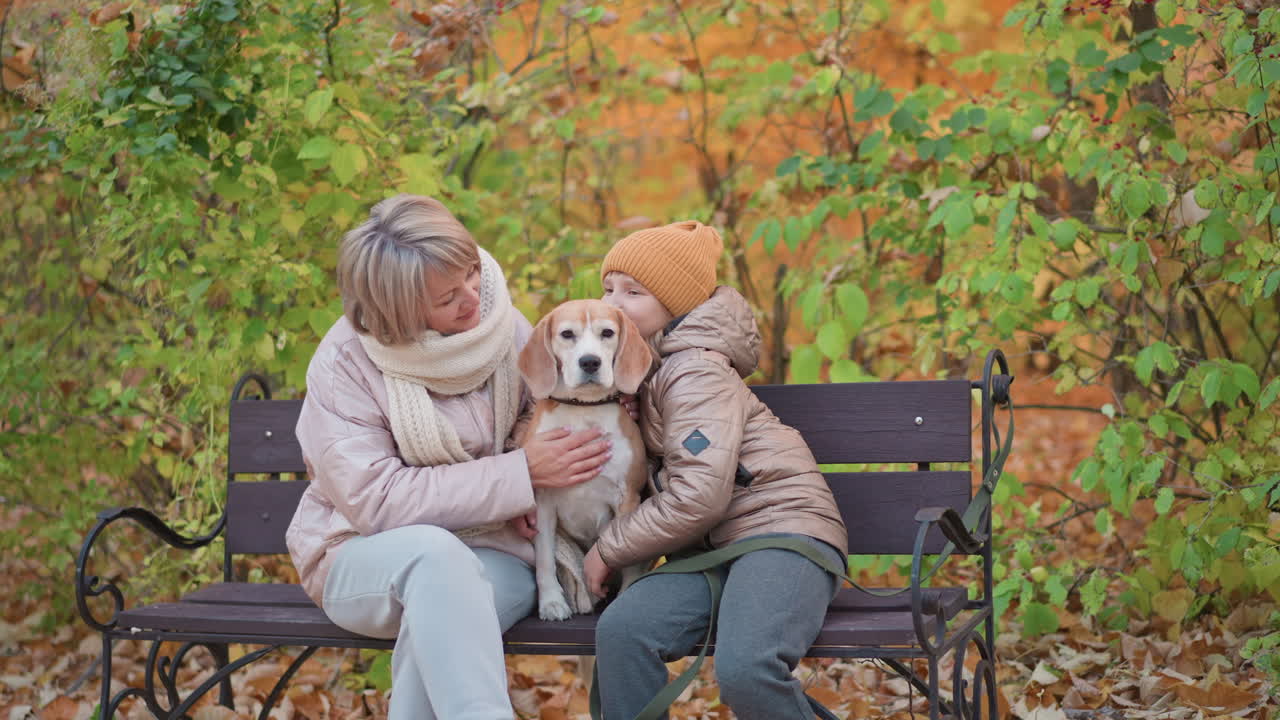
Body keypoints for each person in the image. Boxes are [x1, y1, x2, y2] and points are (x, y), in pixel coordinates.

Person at [285, 194, 612, 720]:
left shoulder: (503, 327)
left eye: (470, 273)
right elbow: (377, 501)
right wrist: (518, 476)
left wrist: (534, 477)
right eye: (445, 297)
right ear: (399, 310)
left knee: (436, 626)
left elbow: (544, 414)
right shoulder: (346, 363)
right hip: (360, 555)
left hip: (497, 553)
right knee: (436, 558)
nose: (470, 297)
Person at [584, 220, 850, 720]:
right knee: (624, 631)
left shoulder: (694, 370)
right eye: (608, 288)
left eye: (634, 292)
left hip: (783, 536)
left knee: (747, 669)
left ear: (676, 305)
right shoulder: (645, 370)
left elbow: (700, 494)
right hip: (718, 554)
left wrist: (607, 548)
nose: (614, 302)